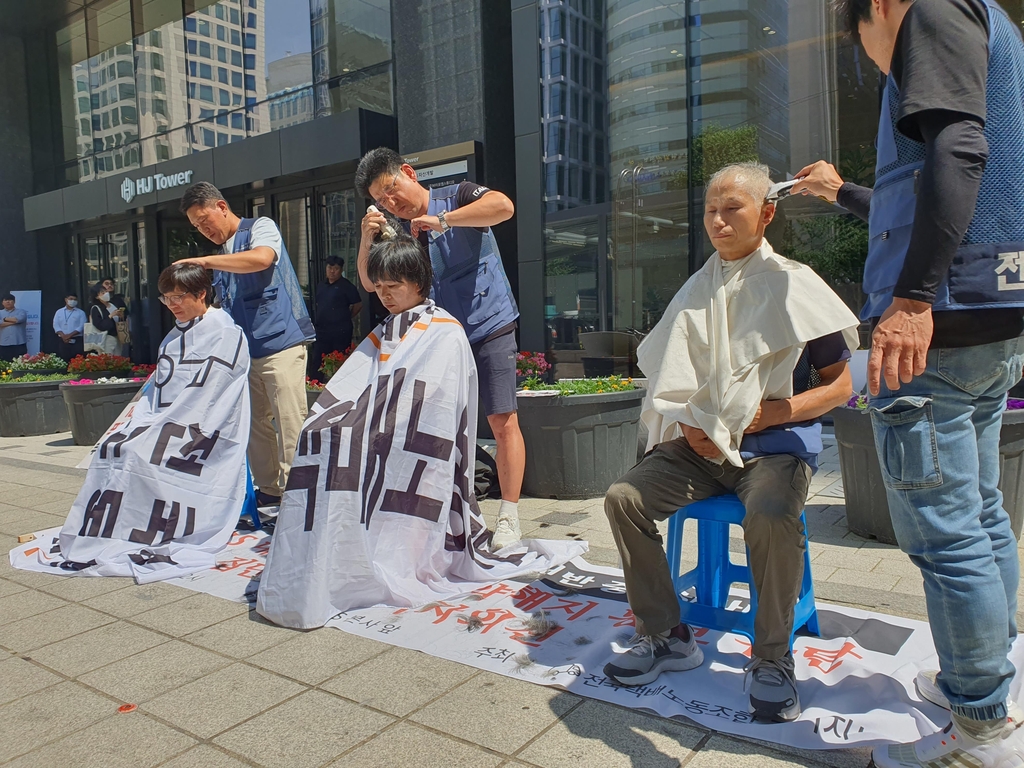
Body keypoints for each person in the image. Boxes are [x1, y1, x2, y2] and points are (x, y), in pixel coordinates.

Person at [793, 0, 1024, 763]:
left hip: (937, 331)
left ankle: (981, 725)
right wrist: (842, 193)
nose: (878, 66)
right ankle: (986, 682)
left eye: (866, 45)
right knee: (982, 513)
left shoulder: (930, 9)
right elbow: (930, 181)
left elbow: (958, 148)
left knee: (944, 533)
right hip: (989, 315)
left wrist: (914, 299)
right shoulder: (993, 27)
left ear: (880, 9)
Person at [601, 164, 860, 723]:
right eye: (710, 211)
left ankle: (772, 658)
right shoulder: (697, 289)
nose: (718, 220)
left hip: (772, 448)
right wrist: (687, 420)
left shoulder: (796, 285)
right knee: (624, 497)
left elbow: (841, 386)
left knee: (768, 514)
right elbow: (673, 377)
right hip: (698, 447)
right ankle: (669, 633)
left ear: (767, 212)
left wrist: (771, 414)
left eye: (732, 208)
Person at [256, 236, 585, 628]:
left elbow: (438, 403)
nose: (384, 295)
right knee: (322, 437)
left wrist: (377, 422)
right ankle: (333, 550)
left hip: (412, 436)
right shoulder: (388, 329)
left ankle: (378, 548)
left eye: (393, 286)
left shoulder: (445, 331)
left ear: (417, 281)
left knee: (357, 443)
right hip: (382, 423)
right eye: (378, 287)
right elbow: (357, 384)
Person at [16, 262, 251, 582]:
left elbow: (216, 392)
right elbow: (160, 388)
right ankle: (120, 525)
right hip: (170, 417)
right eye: (165, 298)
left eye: (178, 297)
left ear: (202, 293)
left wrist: (169, 421)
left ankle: (155, 524)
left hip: (204, 425)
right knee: (113, 448)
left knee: (143, 453)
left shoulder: (225, 331)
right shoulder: (173, 336)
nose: (172, 305)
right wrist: (140, 421)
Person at [355, 147, 525, 550]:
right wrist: (366, 237)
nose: (390, 202)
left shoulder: (458, 195)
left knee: (502, 422)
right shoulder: (395, 232)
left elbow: (503, 206)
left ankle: (511, 517)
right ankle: (448, 511)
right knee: (435, 428)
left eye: (392, 189)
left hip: (490, 325)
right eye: (380, 199)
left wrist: (444, 220)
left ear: (409, 174)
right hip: (438, 339)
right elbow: (367, 281)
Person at [178, 181, 315, 509]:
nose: (203, 229)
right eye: (196, 226)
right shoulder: (220, 255)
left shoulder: (260, 228)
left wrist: (208, 261)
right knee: (254, 424)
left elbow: (263, 259)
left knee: (289, 420)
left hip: (281, 345)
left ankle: (301, 495)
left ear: (221, 207)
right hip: (244, 352)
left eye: (204, 220)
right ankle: (269, 490)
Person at [309, 256, 362, 381]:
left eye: (336, 268)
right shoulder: (321, 285)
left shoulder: (347, 286)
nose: (332, 271)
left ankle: (339, 384)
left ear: (341, 270)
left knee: (340, 359)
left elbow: (358, 304)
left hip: (340, 331)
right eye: (330, 267)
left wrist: (346, 317)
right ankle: (315, 384)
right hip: (322, 330)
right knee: (317, 359)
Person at [87, 283, 121, 355]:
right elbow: (100, 325)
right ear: (97, 296)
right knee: (108, 360)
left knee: (118, 359)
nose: (106, 294)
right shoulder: (96, 308)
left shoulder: (112, 305)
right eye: (102, 293)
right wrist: (110, 316)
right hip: (105, 338)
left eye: (106, 291)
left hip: (117, 336)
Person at [53, 294, 86, 362]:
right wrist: (63, 336)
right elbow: (56, 325)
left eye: (75, 299)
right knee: (64, 359)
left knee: (77, 360)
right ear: (66, 300)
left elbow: (82, 326)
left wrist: (69, 335)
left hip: (77, 340)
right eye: (71, 299)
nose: (73, 301)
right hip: (62, 340)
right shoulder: (59, 312)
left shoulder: (81, 313)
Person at [0, 294, 28, 360]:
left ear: (14, 302)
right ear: (2, 303)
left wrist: (4, 319)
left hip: (19, 343)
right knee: (6, 364)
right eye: (6, 300)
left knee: (21, 363)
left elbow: (18, 319)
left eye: (10, 300)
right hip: (4, 344)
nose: (8, 302)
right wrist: (14, 322)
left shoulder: (21, 312)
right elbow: (15, 321)